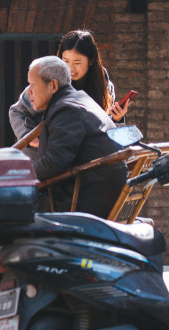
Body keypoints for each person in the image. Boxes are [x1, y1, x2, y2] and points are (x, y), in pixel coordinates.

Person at [25, 56, 127, 218]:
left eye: (33, 85)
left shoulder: (67, 109)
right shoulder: (79, 99)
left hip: (79, 203)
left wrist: (17, 174)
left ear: (52, 85)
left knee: (5, 206)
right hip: (94, 195)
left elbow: (54, 162)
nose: (28, 92)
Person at [9, 30, 132, 140]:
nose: (70, 68)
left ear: (91, 61)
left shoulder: (103, 86)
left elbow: (102, 131)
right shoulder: (49, 78)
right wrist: (27, 137)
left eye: (77, 62)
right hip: (45, 153)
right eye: (65, 61)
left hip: (84, 158)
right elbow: (16, 112)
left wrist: (117, 119)